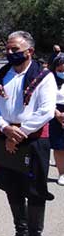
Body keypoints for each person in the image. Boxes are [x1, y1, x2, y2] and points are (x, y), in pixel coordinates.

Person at [0, 31, 56, 236]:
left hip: (33, 139)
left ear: (29, 51)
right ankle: (21, 233)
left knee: (34, 191)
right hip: (6, 135)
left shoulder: (44, 76)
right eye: (7, 48)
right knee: (11, 186)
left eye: (15, 49)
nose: (9, 53)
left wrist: (20, 133)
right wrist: (5, 128)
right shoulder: (1, 74)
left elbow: (46, 111)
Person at [50, 53, 64, 186]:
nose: (62, 73)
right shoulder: (50, 81)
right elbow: (46, 100)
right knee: (59, 146)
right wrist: (57, 114)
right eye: (60, 70)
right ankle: (62, 173)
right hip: (55, 113)